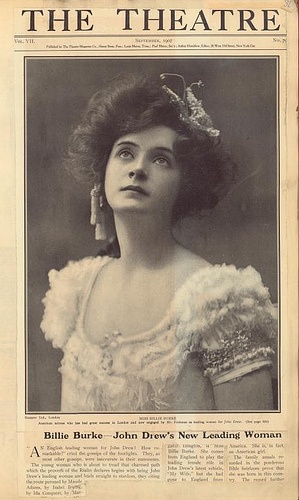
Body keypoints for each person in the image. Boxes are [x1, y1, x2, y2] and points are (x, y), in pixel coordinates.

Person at [40, 73, 277, 412]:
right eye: (125, 153)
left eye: (161, 159)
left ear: (185, 183)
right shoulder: (76, 290)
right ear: (102, 171)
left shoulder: (219, 300)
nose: (138, 169)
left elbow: (248, 448)